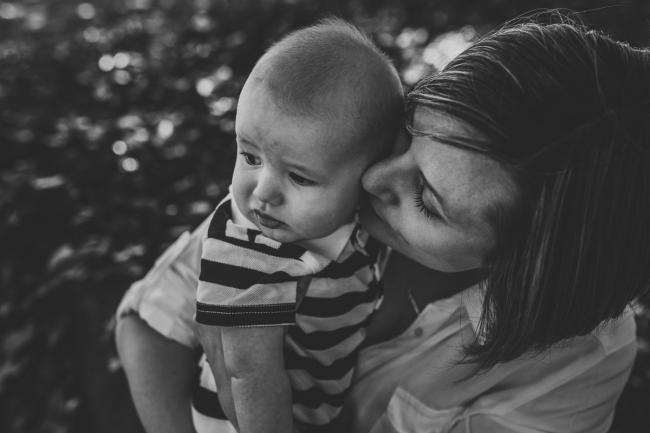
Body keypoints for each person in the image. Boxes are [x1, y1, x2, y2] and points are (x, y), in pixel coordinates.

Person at [115, 13, 650, 433]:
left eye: (427, 200)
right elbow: (145, 325)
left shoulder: (573, 366)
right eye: (409, 135)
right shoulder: (299, 203)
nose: (373, 181)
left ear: (529, 264)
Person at [189, 19, 402, 433]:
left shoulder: (355, 219)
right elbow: (247, 374)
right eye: (250, 157)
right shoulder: (250, 247)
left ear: (370, 176)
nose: (262, 193)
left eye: (300, 178)